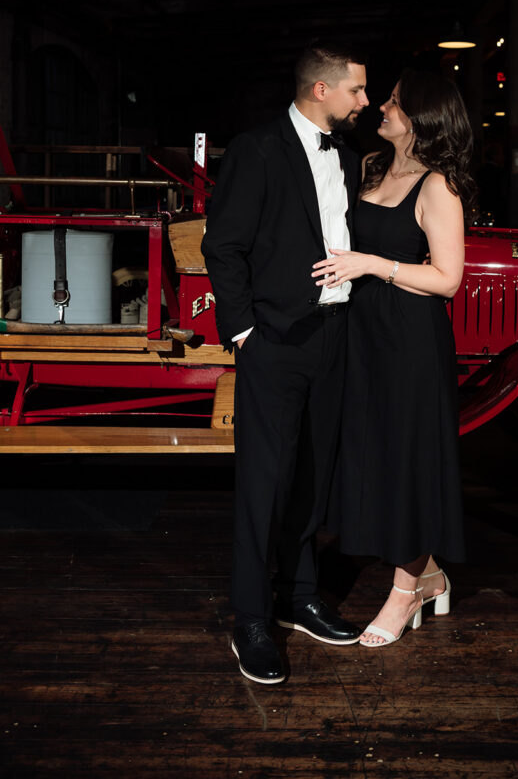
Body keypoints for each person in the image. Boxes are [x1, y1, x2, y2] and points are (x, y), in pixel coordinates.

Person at [202, 42, 369, 684]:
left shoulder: (346, 157)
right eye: (356, 89)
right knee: (264, 483)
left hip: (335, 332)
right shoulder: (258, 149)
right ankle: (250, 617)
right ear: (321, 89)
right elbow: (224, 245)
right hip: (275, 339)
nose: (364, 100)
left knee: (313, 477)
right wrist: (244, 331)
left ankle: (299, 597)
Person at [313, 68, 475, 647]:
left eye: (396, 102)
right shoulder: (371, 166)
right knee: (370, 455)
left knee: (409, 460)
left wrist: (371, 265)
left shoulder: (438, 186)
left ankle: (405, 592)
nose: (382, 106)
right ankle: (429, 576)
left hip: (410, 341)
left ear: (421, 118)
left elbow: (448, 279)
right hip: (361, 333)